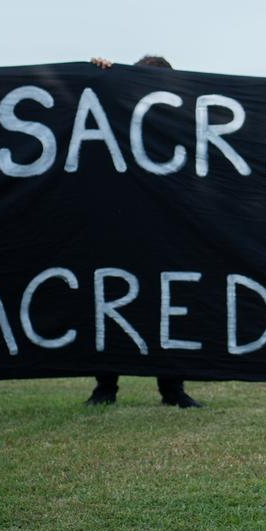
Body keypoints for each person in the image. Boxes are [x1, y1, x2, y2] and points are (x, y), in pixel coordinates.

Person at [82, 54, 203, 409]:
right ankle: (105, 386)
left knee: (167, 306)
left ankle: (172, 389)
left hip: (166, 233)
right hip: (119, 228)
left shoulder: (179, 125)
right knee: (111, 302)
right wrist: (99, 75)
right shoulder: (113, 116)